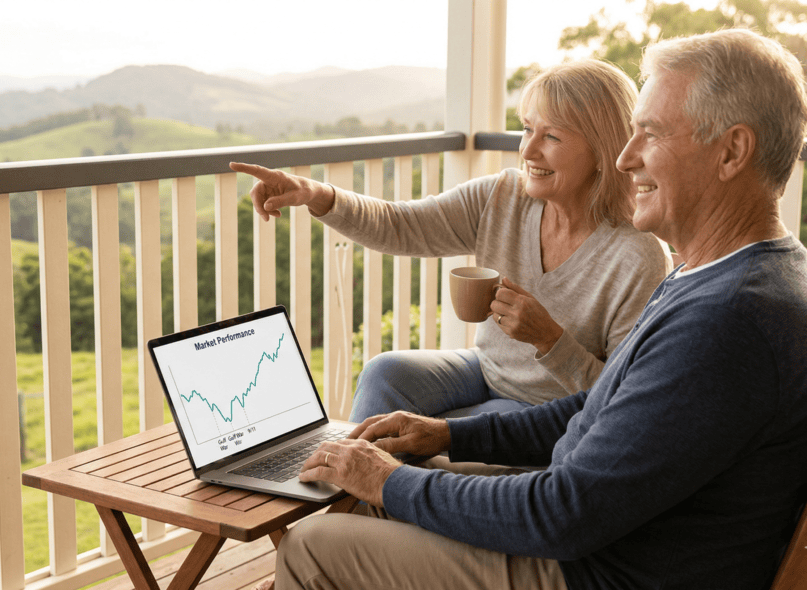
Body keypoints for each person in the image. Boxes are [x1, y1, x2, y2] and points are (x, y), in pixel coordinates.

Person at [253, 28, 807, 590]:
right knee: (374, 500)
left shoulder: (727, 319)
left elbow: (561, 513)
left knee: (313, 546)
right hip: (598, 534)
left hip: (598, 570)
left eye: (652, 134)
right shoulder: (721, 276)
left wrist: (388, 480)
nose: (626, 157)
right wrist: (447, 436)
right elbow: (600, 408)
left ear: (733, 151)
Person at [232, 59, 671, 426]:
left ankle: (365, 507)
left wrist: (549, 340)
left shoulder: (637, 254)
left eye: (552, 136)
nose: (528, 151)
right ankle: (359, 499)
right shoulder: (502, 196)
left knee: (451, 430)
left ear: (602, 149)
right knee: (386, 372)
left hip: (548, 410)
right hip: (485, 370)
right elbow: (400, 225)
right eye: (527, 129)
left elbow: (620, 398)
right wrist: (316, 195)